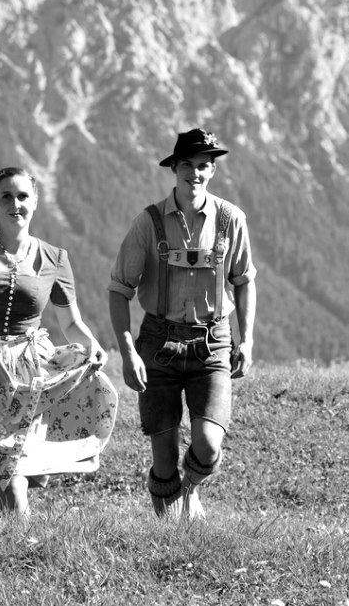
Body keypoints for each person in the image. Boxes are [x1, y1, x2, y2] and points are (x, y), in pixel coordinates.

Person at [0, 168, 118, 517]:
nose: (15, 204)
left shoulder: (55, 258)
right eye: (6, 196)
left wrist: (93, 346)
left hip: (26, 372)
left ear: (35, 202)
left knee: (13, 475)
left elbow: (71, 321)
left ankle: (18, 553)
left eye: (23, 196)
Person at [108, 128, 256, 520]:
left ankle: (188, 493)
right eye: (188, 165)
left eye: (204, 166)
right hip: (158, 343)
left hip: (213, 341)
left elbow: (244, 281)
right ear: (174, 168)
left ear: (213, 170)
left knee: (208, 444)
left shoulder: (230, 219)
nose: (196, 173)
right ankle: (171, 536)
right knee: (163, 458)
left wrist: (248, 340)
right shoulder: (148, 223)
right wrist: (127, 354)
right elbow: (118, 290)